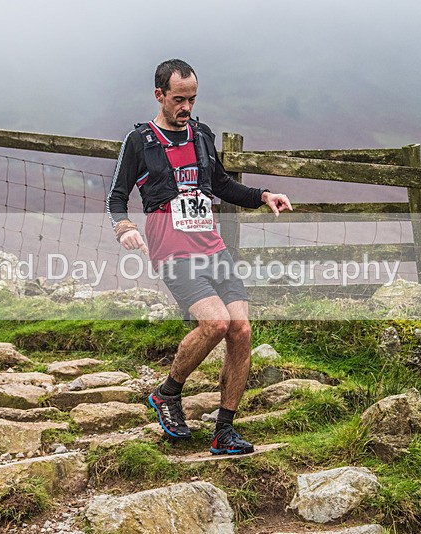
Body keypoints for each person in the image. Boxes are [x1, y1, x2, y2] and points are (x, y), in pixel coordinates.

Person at [106, 59, 292, 454]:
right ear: (160, 95)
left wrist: (262, 196)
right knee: (216, 323)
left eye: (191, 99)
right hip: (173, 251)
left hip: (213, 248)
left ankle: (224, 430)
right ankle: (168, 392)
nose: (186, 107)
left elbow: (222, 184)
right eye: (178, 99)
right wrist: (124, 227)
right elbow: (116, 197)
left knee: (241, 329)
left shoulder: (201, 135)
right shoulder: (140, 141)